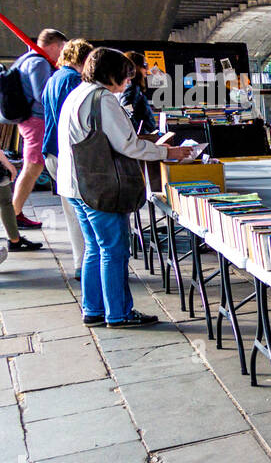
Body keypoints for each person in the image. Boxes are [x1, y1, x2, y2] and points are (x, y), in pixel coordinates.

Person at [59, 48, 189, 327]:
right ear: (111, 73)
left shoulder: (77, 93)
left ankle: (93, 309)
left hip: (75, 185)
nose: (129, 81)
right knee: (114, 251)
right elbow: (127, 144)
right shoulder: (103, 99)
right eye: (126, 75)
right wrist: (167, 153)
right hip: (99, 188)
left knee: (95, 248)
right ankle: (118, 313)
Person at [40, 38, 95, 270]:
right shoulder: (73, 81)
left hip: (51, 150)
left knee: (72, 212)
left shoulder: (54, 78)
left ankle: (80, 263)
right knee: (84, 214)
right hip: (67, 154)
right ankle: (86, 265)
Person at [9, 28, 67, 228]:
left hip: (31, 119)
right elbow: (43, 95)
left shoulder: (28, 59)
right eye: (62, 48)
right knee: (33, 166)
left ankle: (15, 214)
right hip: (36, 120)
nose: (62, 54)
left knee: (33, 166)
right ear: (54, 45)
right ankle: (14, 214)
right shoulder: (39, 62)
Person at [119, 51, 157, 133]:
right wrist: (141, 132)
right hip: (141, 138)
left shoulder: (131, 86)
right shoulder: (132, 87)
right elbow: (126, 111)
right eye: (144, 65)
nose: (147, 69)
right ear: (135, 67)